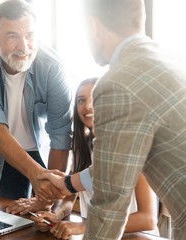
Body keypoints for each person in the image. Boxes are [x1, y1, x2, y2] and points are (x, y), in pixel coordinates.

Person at [38, 0, 186, 239]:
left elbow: (109, 205)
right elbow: (115, 166)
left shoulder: (118, 83)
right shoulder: (168, 61)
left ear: (93, 26)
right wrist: (67, 184)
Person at [0, 0, 73, 200]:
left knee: (48, 217)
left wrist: (49, 195)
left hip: (47, 151)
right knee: (10, 215)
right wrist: (35, 173)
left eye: (30, 35)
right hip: (7, 153)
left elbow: (60, 134)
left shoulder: (53, 67)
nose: (24, 47)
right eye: (13, 36)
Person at [32, 78, 159, 239]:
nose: (87, 106)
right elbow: (68, 199)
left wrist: (86, 226)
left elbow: (148, 219)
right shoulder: (82, 147)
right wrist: (55, 216)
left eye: (95, 98)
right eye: (81, 100)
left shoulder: (131, 145)